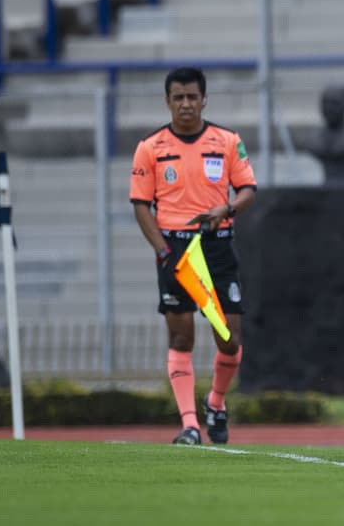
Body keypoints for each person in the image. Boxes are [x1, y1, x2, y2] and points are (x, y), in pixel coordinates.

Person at [130, 67, 257, 445]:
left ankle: (215, 402)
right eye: (178, 97)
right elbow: (140, 205)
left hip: (216, 247)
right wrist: (163, 251)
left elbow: (249, 190)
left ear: (204, 99)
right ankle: (189, 424)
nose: (185, 104)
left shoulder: (228, 141)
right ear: (167, 101)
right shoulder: (150, 147)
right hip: (176, 250)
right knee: (181, 339)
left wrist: (226, 210)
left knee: (230, 339)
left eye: (192, 97)